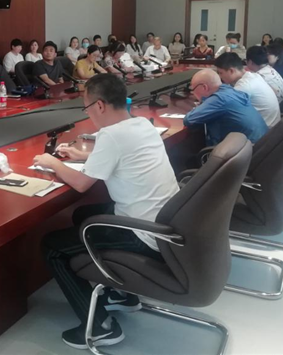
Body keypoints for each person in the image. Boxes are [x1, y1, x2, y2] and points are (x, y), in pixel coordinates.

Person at [33, 74, 179, 350]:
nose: (88, 113)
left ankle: (100, 327)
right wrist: (83, 156)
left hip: (142, 234)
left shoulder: (111, 135)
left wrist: (52, 162)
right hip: (165, 224)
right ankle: (122, 293)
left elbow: (80, 183)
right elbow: (122, 155)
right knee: (83, 216)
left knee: (51, 246)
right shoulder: (141, 123)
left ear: (99, 105)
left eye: (87, 107)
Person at [184, 69, 268, 146]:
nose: (193, 93)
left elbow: (189, 120)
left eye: (193, 89)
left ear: (204, 87)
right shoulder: (230, 90)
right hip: (261, 145)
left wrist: (201, 106)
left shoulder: (219, 99)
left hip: (249, 151)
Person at [215, 53, 280, 128]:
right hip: (272, 125)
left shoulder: (244, 85)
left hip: (265, 130)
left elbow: (223, 107)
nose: (219, 76)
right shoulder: (253, 76)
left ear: (231, 71)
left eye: (220, 73)